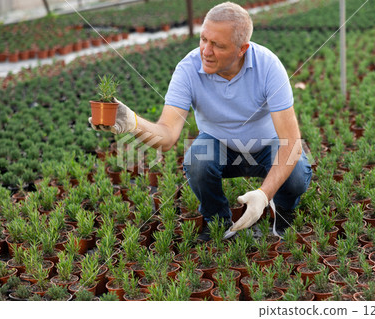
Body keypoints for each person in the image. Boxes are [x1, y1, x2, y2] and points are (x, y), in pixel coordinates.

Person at [89, 2, 312, 241]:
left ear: (241, 49)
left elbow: (290, 141)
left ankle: (284, 208)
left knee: (297, 171)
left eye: (217, 45)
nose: (206, 50)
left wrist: (263, 194)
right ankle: (217, 221)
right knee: (196, 160)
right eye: (204, 39)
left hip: (268, 145)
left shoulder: (268, 66)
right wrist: (132, 122)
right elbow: (167, 135)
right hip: (220, 145)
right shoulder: (188, 69)